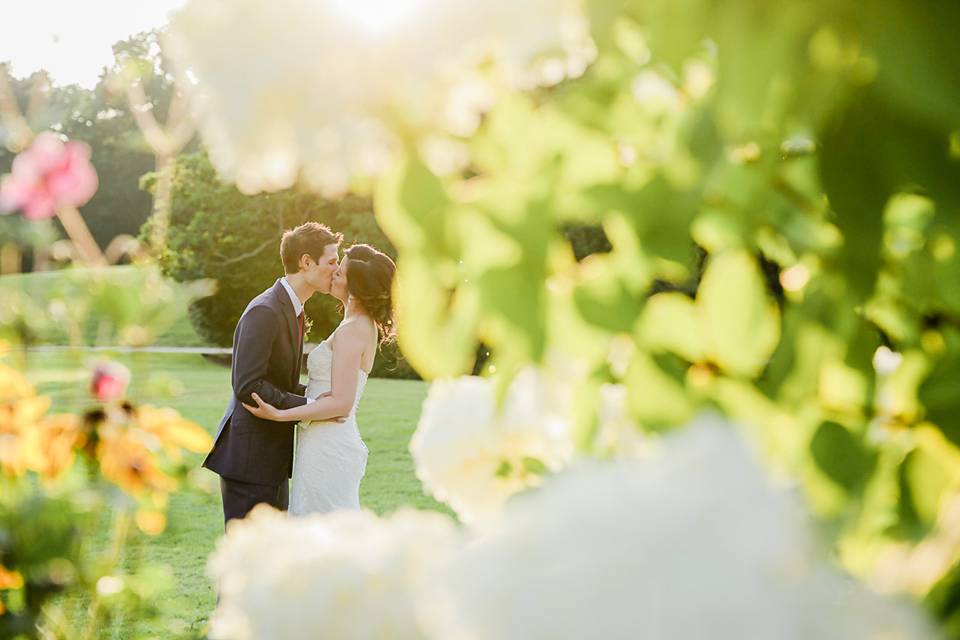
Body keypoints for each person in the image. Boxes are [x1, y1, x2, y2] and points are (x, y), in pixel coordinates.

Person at [203, 222, 342, 524]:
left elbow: (281, 380)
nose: (337, 269)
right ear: (306, 262)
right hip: (250, 461)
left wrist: (318, 397)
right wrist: (310, 406)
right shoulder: (265, 310)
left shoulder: (293, 308)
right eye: (332, 261)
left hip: (270, 458)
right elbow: (248, 384)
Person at [243, 243, 396, 515]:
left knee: (323, 528)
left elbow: (341, 405)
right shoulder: (357, 325)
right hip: (320, 438)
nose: (334, 272)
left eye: (341, 272)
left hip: (328, 443)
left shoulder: (353, 330)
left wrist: (279, 415)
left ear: (356, 288)